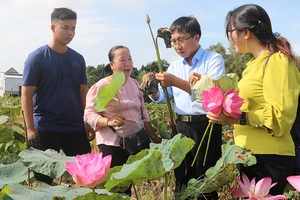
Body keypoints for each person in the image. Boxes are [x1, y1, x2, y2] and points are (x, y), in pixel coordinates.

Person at [206, 4, 300, 195]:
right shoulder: (253, 65)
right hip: (250, 155)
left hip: (271, 157)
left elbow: (280, 117)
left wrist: (237, 118)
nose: (229, 38)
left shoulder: (276, 61)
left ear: (246, 32)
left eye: (230, 32)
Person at [144, 16, 225, 200]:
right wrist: (153, 90)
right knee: (182, 176)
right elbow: (165, 97)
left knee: (206, 176)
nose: (177, 46)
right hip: (181, 127)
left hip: (207, 125)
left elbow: (212, 93)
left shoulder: (214, 59)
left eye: (181, 40)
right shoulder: (174, 66)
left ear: (196, 37)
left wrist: (175, 82)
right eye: (173, 41)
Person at [21, 7, 94, 185]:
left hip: (75, 127)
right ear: (53, 28)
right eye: (65, 27)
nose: (70, 33)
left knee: (86, 177)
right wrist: (30, 128)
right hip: (47, 127)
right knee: (43, 180)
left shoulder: (78, 59)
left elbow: (82, 93)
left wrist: (86, 122)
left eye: (73, 28)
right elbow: (26, 95)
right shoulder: (37, 58)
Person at [84, 45, 161, 179]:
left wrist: (153, 137)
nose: (128, 64)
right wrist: (109, 121)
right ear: (112, 65)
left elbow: (143, 114)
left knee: (135, 182)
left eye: (130, 59)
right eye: (122, 60)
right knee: (118, 185)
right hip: (113, 145)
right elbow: (89, 114)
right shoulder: (101, 86)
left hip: (137, 141)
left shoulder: (135, 84)